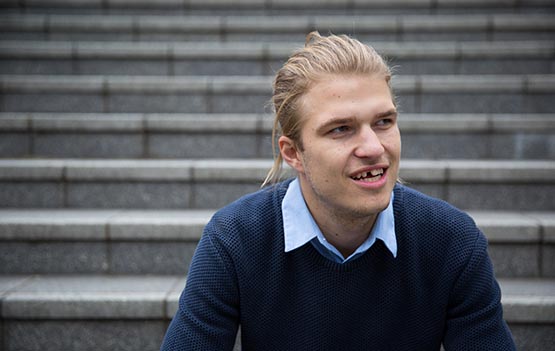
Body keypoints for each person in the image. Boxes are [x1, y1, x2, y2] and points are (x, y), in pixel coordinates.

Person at [161, 32, 516, 350]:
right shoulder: (235, 238)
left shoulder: (452, 240)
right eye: (341, 129)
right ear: (293, 153)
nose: (373, 147)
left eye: (383, 122)